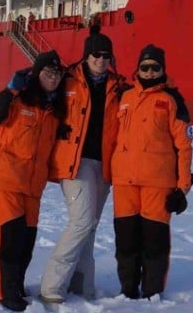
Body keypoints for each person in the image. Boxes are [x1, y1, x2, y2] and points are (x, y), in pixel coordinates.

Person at [39, 25, 128, 304]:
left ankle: (81, 285)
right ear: (85, 56)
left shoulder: (119, 87)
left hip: (104, 164)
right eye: (95, 55)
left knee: (89, 227)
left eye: (106, 55)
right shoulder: (67, 81)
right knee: (82, 221)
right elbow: (38, 95)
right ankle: (52, 285)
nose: (101, 60)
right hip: (74, 162)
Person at [0, 50, 66, 312]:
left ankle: (15, 285)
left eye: (57, 74)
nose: (53, 78)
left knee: (27, 241)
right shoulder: (18, 101)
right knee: (10, 239)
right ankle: (2, 293)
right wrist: (9, 91)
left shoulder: (52, 113)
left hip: (32, 187)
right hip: (5, 181)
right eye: (47, 72)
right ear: (36, 74)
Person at [110, 44, 193, 300]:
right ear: (137, 69)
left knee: (154, 241)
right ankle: (127, 290)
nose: (149, 72)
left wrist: (182, 187)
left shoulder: (171, 101)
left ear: (162, 70)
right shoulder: (124, 97)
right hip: (124, 182)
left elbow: (184, 145)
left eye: (154, 67)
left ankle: (152, 292)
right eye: (144, 67)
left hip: (158, 183)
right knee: (126, 242)